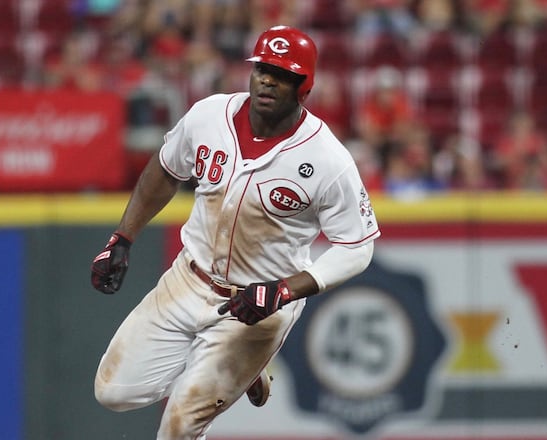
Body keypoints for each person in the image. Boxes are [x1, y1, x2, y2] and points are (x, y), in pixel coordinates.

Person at [89, 25, 380, 439]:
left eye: (283, 75)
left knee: (179, 424)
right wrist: (122, 238)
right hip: (188, 279)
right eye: (263, 68)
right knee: (112, 392)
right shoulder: (210, 115)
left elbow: (357, 247)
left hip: (257, 304)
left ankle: (236, 366)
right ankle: (242, 375)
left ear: (305, 86)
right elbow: (166, 168)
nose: (268, 80)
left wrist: (284, 290)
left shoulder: (328, 159)